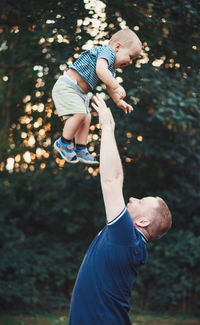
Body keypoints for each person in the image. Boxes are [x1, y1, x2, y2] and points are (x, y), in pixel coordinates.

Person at [68, 94, 172, 325]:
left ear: (143, 221)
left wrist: (107, 125)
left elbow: (112, 180)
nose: (133, 199)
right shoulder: (131, 243)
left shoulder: (126, 238)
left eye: (140, 201)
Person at [52, 28, 142, 164]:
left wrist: (118, 101)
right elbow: (101, 71)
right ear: (117, 47)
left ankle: (80, 149)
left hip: (78, 93)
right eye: (130, 57)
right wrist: (117, 85)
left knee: (86, 118)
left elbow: (109, 86)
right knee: (80, 114)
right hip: (68, 86)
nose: (130, 62)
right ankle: (63, 143)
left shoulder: (111, 67)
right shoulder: (107, 52)